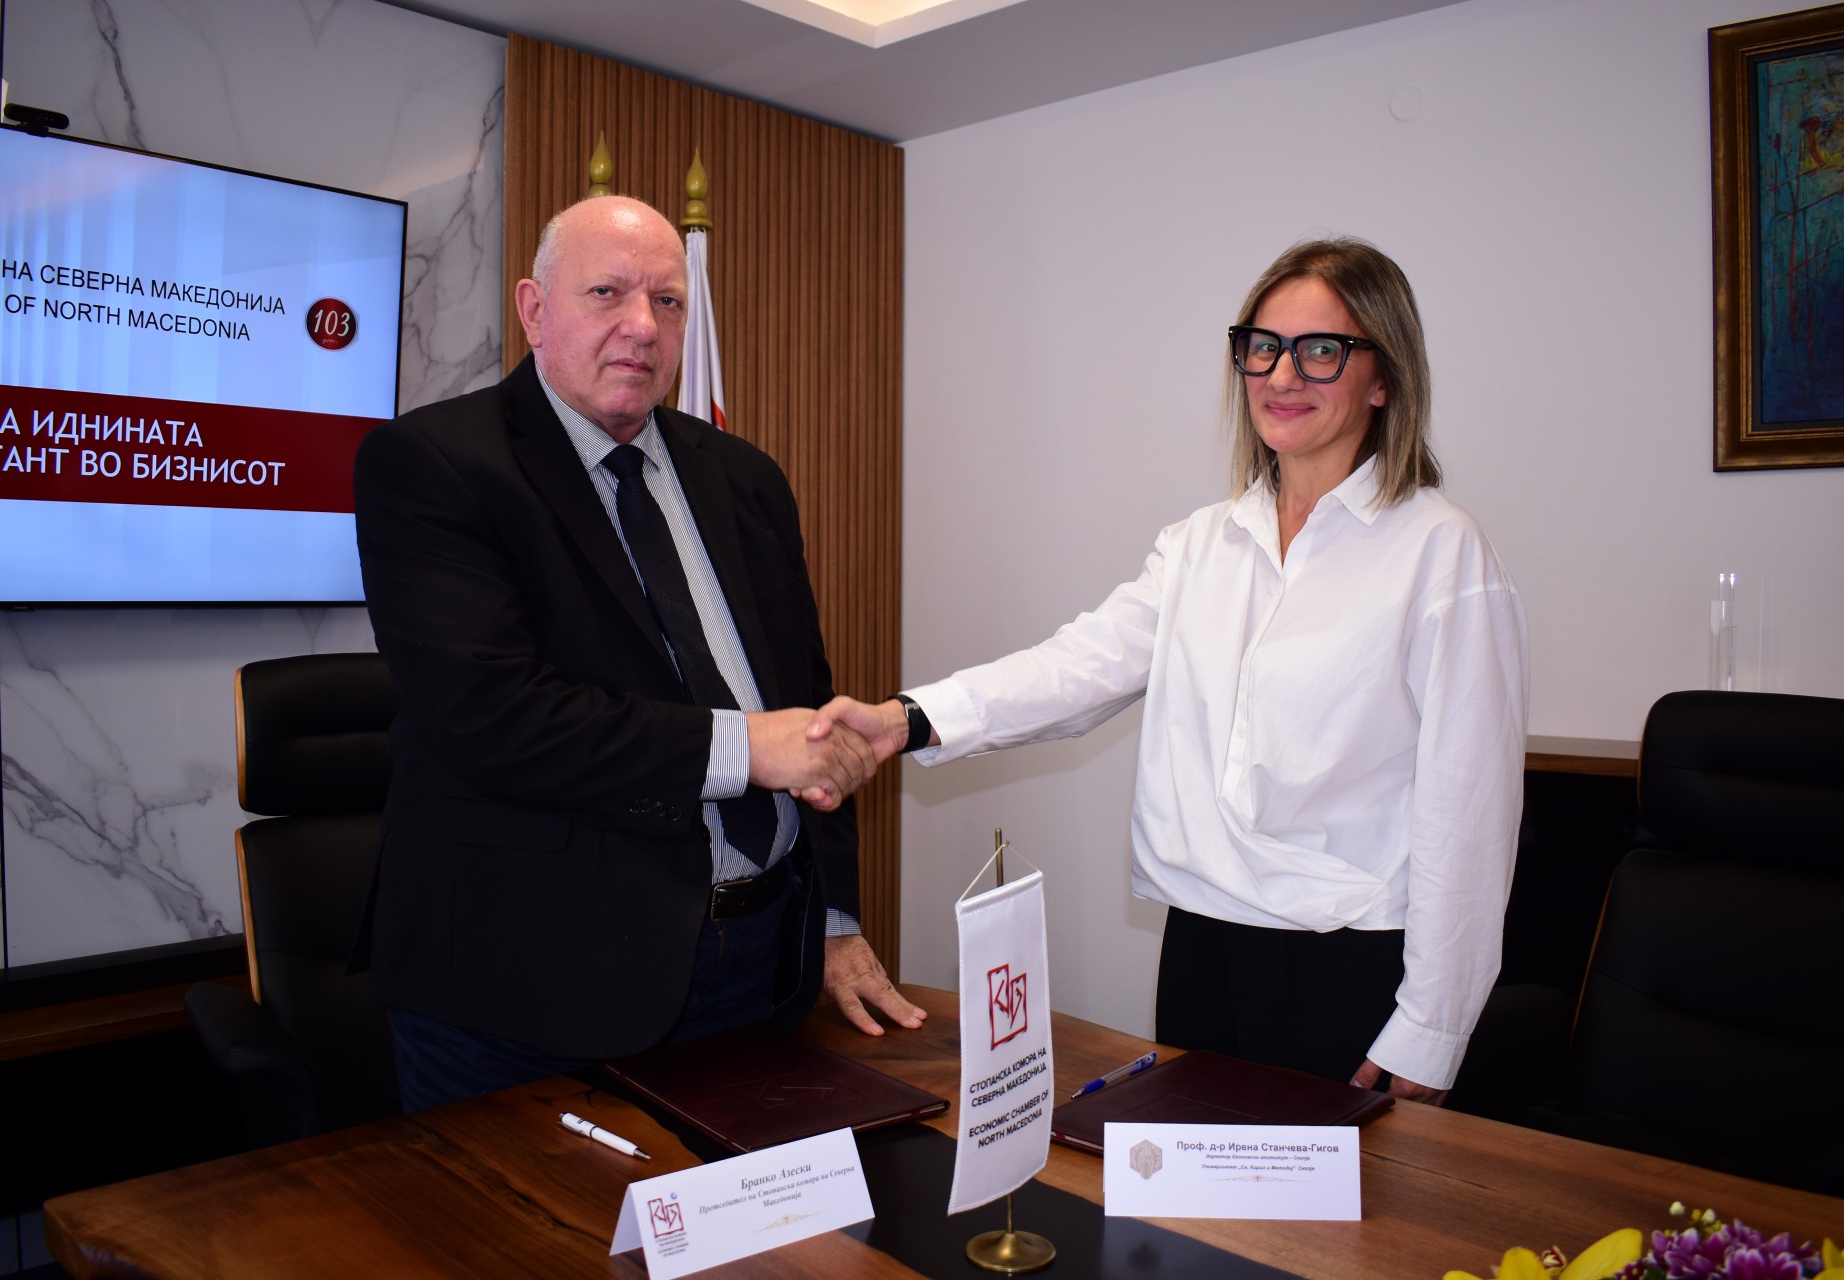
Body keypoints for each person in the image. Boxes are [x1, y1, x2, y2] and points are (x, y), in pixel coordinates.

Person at [813, 237, 1526, 1104]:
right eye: (1262, 347)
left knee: (1339, 1200)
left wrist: (1433, 1028)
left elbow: (1470, 816)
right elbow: (1075, 668)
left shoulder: (1442, 553)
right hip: (1202, 950)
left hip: (1346, 971)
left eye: (1320, 350)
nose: (1282, 375)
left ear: (1384, 379)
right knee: (1194, 1191)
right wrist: (905, 718)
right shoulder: (1201, 544)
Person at [352, 195, 924, 1110]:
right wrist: (745, 748)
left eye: (667, 301)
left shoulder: (744, 477)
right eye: (607, 293)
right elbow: (492, 716)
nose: (642, 327)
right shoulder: (434, 463)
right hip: (524, 992)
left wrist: (834, 917)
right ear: (534, 309)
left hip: (754, 966)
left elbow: (807, 704)